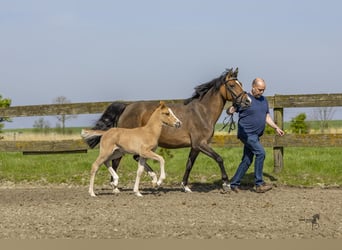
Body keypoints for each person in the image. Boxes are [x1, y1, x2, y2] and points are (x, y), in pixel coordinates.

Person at [227, 77, 285, 193]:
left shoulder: (264, 100)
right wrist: (231, 110)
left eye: (263, 90)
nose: (262, 92)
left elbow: (266, 116)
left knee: (247, 160)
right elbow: (231, 110)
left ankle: (233, 184)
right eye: (259, 89)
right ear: (253, 87)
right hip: (246, 134)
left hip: (256, 135)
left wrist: (276, 127)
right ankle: (259, 184)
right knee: (261, 153)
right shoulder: (245, 98)